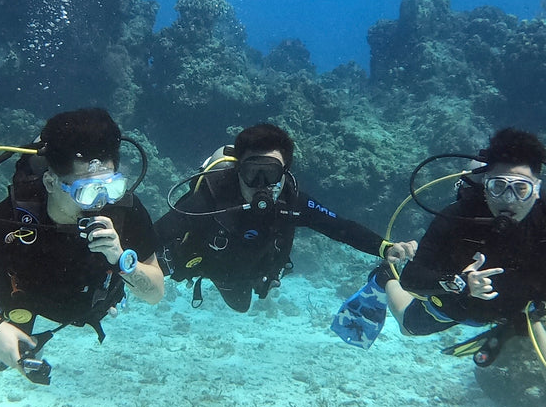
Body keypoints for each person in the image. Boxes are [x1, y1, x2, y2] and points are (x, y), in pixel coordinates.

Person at [0, 108, 164, 381]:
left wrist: (121, 258)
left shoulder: (125, 211)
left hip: (87, 300)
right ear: (51, 182)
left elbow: (155, 293)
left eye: (110, 187)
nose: (100, 202)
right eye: (85, 191)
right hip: (25, 291)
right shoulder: (16, 214)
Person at [379, 127, 546, 370]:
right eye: (498, 186)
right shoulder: (458, 216)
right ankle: (384, 275)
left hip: (518, 307)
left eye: (521, 188)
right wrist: (459, 283)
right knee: (409, 327)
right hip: (462, 305)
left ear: (536, 188)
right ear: (485, 186)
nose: (509, 200)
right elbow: (411, 278)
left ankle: (510, 328)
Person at [155, 123, 416, 312]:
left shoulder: (292, 202)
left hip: (237, 273)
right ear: (237, 171)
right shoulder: (212, 198)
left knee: (241, 306)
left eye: (270, 174)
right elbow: (156, 233)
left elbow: (339, 227)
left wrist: (384, 247)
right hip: (202, 258)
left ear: (284, 174)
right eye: (252, 173)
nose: (261, 184)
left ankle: (227, 279)